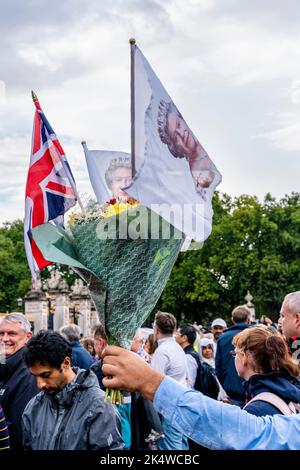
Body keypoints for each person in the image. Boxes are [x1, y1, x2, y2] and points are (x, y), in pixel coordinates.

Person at [102, 345, 300, 450]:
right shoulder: (286, 388)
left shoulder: (262, 405)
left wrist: (151, 382)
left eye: (235, 353)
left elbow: (246, 433)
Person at [22, 330, 123, 450]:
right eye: (35, 376)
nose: (39, 384)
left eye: (46, 375)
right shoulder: (33, 407)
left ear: (66, 363)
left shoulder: (99, 406)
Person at [157, 100, 220, 200]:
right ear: (175, 148)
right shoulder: (195, 177)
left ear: (183, 120)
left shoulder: (211, 142)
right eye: (175, 137)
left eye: (178, 125)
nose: (181, 134)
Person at [232, 326, 300, 416]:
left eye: (234, 353)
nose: (234, 357)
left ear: (244, 357)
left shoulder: (255, 410)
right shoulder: (285, 388)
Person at [0, 313, 39, 449]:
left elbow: (19, 428)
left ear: (28, 337)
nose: (4, 339)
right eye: (1, 333)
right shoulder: (5, 364)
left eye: (11, 334)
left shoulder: (29, 373)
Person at [152, 311, 188, 450]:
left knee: (172, 448)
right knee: (182, 445)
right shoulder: (177, 348)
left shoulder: (162, 351)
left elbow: (154, 382)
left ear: (156, 329)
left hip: (169, 407)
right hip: (181, 402)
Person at [215, 306, 251, 406]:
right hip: (253, 390)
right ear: (248, 320)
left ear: (233, 320)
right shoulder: (257, 335)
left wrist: (226, 386)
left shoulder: (223, 338)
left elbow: (218, 368)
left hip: (232, 392)